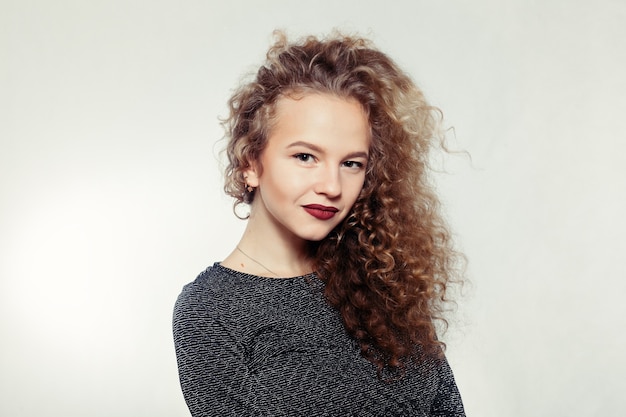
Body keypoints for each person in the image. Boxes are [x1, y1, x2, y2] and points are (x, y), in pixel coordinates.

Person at [173, 31, 466, 416]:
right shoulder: (211, 311)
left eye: (351, 164)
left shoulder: (382, 279)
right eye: (306, 157)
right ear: (250, 162)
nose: (331, 187)